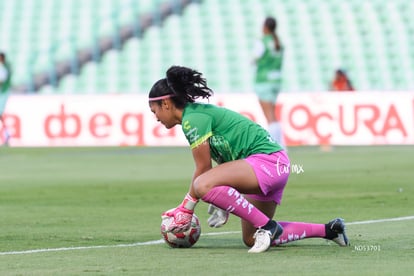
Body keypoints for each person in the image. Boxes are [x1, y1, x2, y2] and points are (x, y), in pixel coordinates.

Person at [149, 65, 349, 253]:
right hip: (274, 165)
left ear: (165, 103)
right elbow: (229, 165)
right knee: (251, 238)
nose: (156, 117)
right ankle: (330, 230)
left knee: (201, 184)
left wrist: (186, 208)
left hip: (266, 162)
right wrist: (222, 200)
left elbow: (203, 169)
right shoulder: (197, 114)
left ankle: (269, 227)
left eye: (154, 111)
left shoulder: (192, 119)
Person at [253, 16, 285, 149]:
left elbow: (255, 58)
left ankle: (275, 146)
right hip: (276, 80)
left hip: (264, 80)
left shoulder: (262, 41)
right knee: (273, 114)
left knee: (269, 116)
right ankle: (281, 144)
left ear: (265, 27)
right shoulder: (278, 42)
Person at [0, 52, 12, 145]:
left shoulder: (4, 67)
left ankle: (6, 134)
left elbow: (1, 81)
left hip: (3, 93)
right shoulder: (6, 67)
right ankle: (6, 134)